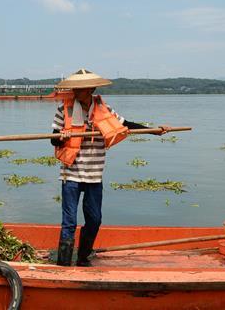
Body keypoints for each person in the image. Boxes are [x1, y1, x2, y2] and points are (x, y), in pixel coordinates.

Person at [51, 68, 171, 267]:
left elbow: (125, 124)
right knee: (69, 222)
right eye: (74, 89)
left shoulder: (104, 109)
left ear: (90, 89)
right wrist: (60, 137)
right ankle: (63, 266)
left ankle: (82, 258)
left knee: (95, 220)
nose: (75, 92)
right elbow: (54, 140)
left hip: (94, 175)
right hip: (71, 173)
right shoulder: (64, 109)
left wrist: (154, 131)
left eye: (80, 89)